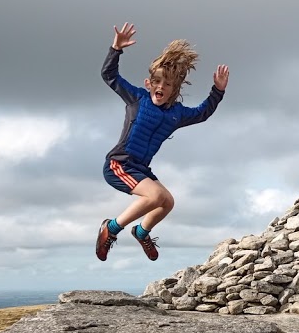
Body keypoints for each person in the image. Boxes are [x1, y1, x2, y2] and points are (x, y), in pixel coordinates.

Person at [95, 22, 229, 262]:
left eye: (167, 84)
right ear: (148, 84)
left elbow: (202, 113)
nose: (161, 87)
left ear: (174, 90)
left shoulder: (176, 114)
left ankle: (141, 231)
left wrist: (217, 91)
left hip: (140, 168)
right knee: (155, 196)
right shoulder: (138, 98)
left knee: (167, 202)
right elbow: (109, 75)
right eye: (156, 82)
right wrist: (116, 49)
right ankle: (110, 228)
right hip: (119, 164)